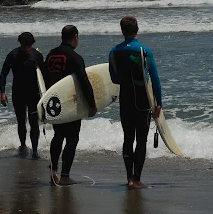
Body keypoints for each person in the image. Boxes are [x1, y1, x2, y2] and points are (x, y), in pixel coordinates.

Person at [109, 16, 162, 189]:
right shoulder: (144, 50)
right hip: (142, 101)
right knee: (141, 140)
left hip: (125, 100)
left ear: (122, 31)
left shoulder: (114, 52)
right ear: (137, 29)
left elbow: (114, 78)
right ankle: (137, 180)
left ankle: (129, 178)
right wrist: (158, 102)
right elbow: (154, 78)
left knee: (128, 138)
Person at [44, 25, 96, 185]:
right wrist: (92, 104)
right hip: (71, 103)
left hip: (54, 104)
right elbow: (84, 82)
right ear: (75, 36)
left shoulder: (51, 55)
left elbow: (44, 78)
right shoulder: (75, 57)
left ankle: (53, 171)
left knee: (58, 136)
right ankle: (65, 176)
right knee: (72, 138)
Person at [0, 32, 44, 158]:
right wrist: (2, 92)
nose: (26, 47)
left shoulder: (37, 56)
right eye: (24, 45)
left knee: (34, 122)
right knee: (21, 121)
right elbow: (3, 74)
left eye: (28, 45)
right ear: (20, 43)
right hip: (18, 93)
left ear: (32, 44)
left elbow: (44, 75)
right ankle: (23, 146)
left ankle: (35, 151)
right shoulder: (13, 55)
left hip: (34, 94)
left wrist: (46, 95)